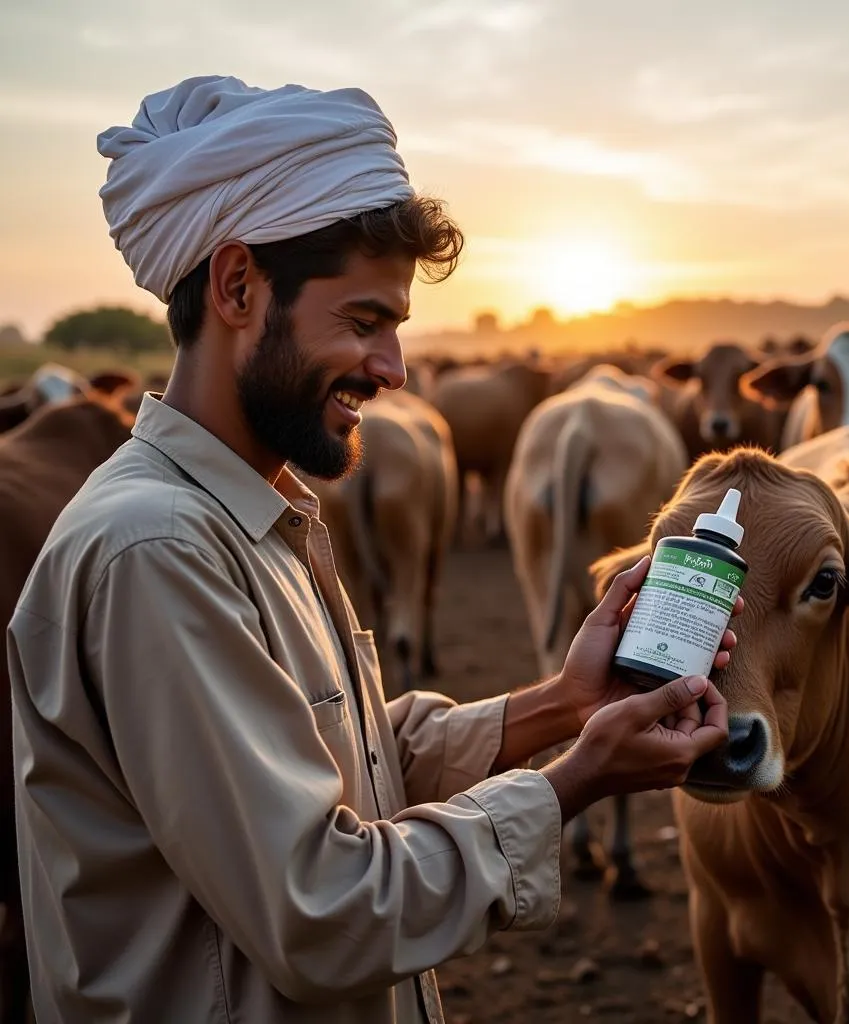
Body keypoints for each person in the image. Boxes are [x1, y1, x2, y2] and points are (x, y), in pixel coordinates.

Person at [7, 76, 740, 1024]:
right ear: (237, 287)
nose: (394, 371)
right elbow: (321, 909)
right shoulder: (157, 548)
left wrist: (568, 703)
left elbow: (343, 762)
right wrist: (578, 779)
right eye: (363, 322)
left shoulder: (252, 514)